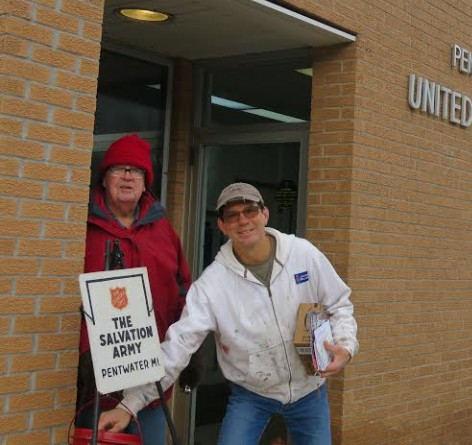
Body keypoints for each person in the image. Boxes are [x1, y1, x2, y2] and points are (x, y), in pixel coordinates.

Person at [97, 182, 359, 445]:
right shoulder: (212, 285)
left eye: (250, 210)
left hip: (309, 391)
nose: (242, 220)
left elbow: (339, 304)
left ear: (264, 214)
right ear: (222, 225)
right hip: (252, 394)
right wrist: (128, 405)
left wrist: (346, 346)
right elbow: (178, 346)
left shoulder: (303, 255)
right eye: (232, 215)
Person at [76, 134, 193, 445]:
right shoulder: (81, 225)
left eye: (136, 171)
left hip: (150, 372)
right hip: (94, 378)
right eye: (118, 169)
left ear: (146, 182)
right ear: (104, 179)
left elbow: (184, 290)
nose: (127, 177)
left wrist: (188, 350)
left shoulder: (163, 230)